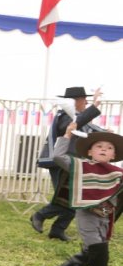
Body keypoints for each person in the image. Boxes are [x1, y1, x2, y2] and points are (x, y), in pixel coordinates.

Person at [42, 123, 123, 266]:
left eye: (109, 148)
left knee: (92, 253)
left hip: (106, 218)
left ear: (114, 155)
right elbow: (57, 156)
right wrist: (67, 134)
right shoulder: (80, 167)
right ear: (89, 151)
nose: (104, 149)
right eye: (99, 146)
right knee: (98, 250)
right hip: (87, 215)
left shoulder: (118, 173)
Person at [31, 86, 103, 241]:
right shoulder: (65, 116)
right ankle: (40, 215)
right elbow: (73, 126)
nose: (87, 102)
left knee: (73, 199)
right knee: (66, 198)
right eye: (85, 100)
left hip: (71, 162)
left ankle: (57, 230)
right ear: (76, 101)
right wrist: (95, 106)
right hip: (59, 162)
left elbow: (87, 130)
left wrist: (105, 133)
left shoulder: (77, 117)